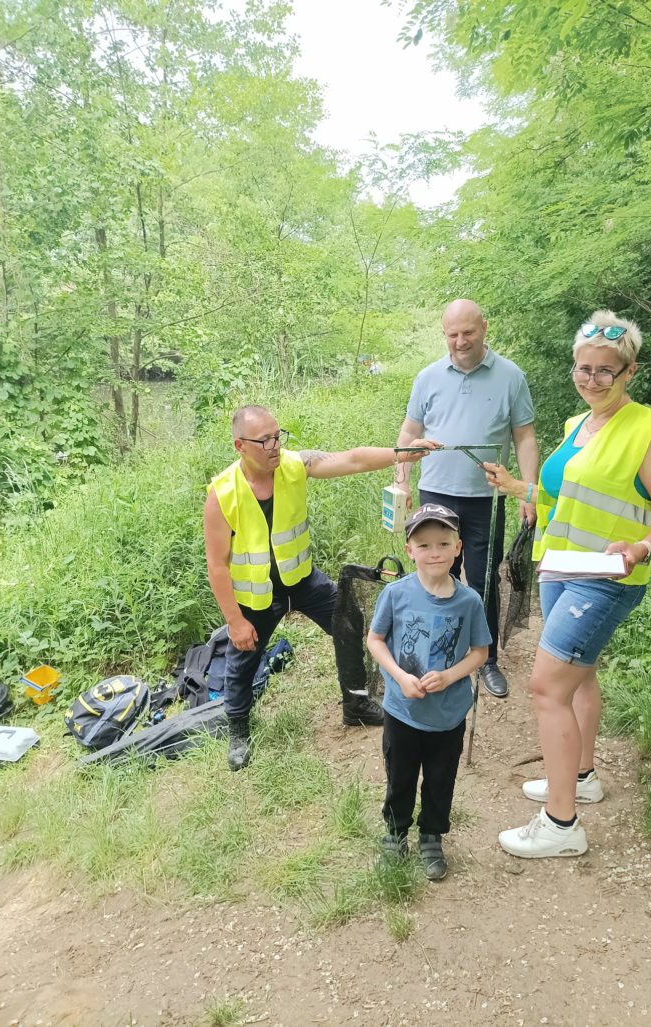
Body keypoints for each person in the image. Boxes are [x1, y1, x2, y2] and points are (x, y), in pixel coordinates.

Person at [484, 311, 651, 858]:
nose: (591, 379)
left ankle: (560, 824)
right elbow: (562, 499)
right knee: (580, 679)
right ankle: (580, 777)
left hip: (605, 580)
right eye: (583, 368)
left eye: (605, 371)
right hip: (561, 568)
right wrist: (518, 488)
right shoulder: (579, 425)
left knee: (548, 688)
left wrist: (642, 546)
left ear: (629, 372)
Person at [204, 405, 436, 771]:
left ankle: (356, 703)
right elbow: (216, 564)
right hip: (257, 595)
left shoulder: (295, 465)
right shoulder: (222, 494)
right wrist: (234, 619)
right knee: (242, 658)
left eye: (277, 436)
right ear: (240, 445)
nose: (274, 445)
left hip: (303, 580)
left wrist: (402, 454)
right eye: (263, 440)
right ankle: (238, 730)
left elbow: (352, 460)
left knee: (352, 627)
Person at [395, 299, 539, 699]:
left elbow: (524, 436)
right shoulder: (427, 377)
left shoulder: (511, 376)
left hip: (485, 498)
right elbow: (409, 433)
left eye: (467, 333)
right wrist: (402, 482)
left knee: (482, 578)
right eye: (452, 334)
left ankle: (486, 658)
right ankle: (436, 650)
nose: (460, 341)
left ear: (484, 328)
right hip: (436, 493)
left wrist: (528, 490)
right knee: (435, 572)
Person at [366, 503, 491, 880]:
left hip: (449, 713)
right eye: (423, 545)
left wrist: (451, 676)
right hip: (403, 708)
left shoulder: (469, 601)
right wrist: (400, 677)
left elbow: (480, 653)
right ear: (410, 550)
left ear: (458, 548)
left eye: (443, 543)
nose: (433, 552)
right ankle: (395, 831)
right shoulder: (396, 593)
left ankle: (432, 835)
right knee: (400, 773)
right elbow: (375, 640)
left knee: (440, 776)